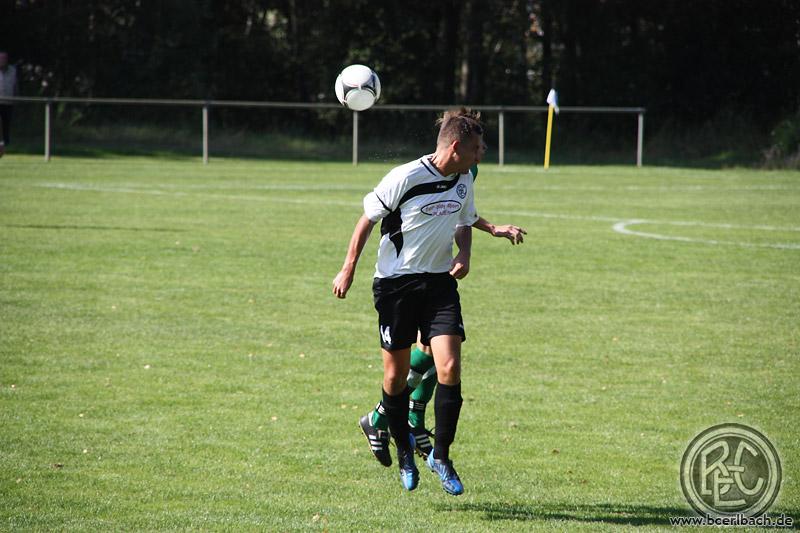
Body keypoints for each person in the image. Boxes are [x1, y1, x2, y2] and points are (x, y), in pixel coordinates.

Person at [332, 108, 526, 495]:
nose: (481, 154)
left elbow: (463, 219)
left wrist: (465, 252)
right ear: (455, 147)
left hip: (438, 283)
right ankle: (405, 452)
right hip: (396, 285)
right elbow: (367, 219)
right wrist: (348, 268)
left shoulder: (464, 177)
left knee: (449, 366)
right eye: (477, 148)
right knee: (394, 377)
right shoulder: (405, 177)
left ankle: (441, 456)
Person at [0, 50, 18, 157]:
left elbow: (15, 85)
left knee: (6, 123)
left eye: (4, 58)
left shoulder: (12, 70)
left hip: (8, 102)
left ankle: (5, 143)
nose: (2, 61)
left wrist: (16, 98)